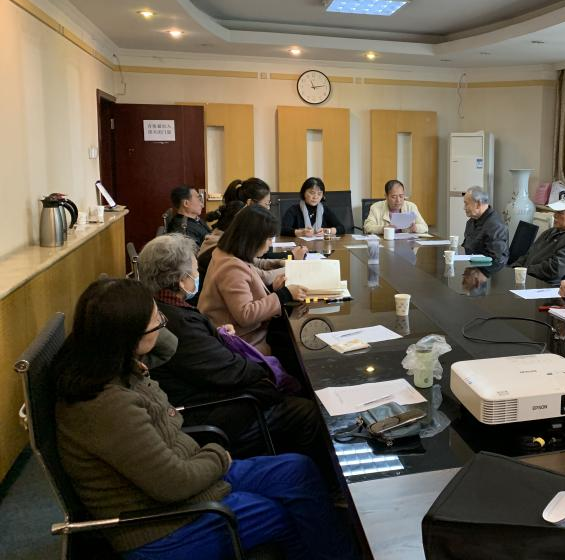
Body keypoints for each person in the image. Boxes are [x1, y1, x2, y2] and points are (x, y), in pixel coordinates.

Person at [53, 278, 354, 560]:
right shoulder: (107, 405)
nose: (163, 323)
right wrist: (218, 455)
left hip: (189, 477)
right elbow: (174, 484)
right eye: (157, 320)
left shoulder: (120, 364)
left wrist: (151, 326)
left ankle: (333, 550)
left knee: (298, 469)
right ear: (128, 337)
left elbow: (166, 348)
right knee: (280, 514)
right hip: (162, 526)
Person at [139, 234, 328, 464]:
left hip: (207, 393)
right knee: (308, 412)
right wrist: (265, 372)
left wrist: (218, 336)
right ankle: (305, 474)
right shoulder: (176, 324)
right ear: (181, 281)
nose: (198, 275)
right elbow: (227, 371)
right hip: (212, 413)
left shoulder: (165, 307)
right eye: (195, 271)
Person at [199, 206, 306, 354]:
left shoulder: (228, 254)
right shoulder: (231, 266)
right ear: (254, 238)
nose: (270, 243)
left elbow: (254, 279)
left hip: (242, 333)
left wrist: (274, 289)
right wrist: (284, 294)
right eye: (269, 239)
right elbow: (246, 314)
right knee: (296, 344)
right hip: (242, 342)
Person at [511, 196, 565, 285]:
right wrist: (515, 268)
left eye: (560, 212)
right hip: (529, 278)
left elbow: (556, 269)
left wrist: (524, 271)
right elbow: (528, 254)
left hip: (546, 285)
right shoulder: (550, 232)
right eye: (556, 212)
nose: (555, 215)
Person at [462, 186, 509, 270]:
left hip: (486, 272)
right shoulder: (471, 222)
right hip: (472, 267)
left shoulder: (496, 226)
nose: (464, 208)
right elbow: (467, 247)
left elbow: (497, 260)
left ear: (478, 204)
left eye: (466, 204)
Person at [281, 177, 346, 237]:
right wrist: (301, 232)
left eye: (319, 194)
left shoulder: (325, 210)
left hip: (321, 244)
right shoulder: (294, 210)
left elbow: (341, 228)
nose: (315, 197)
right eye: (312, 193)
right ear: (304, 193)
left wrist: (327, 231)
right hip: (300, 245)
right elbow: (283, 230)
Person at [363, 179, 428, 235]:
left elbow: (425, 227)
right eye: (394, 197)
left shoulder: (411, 206)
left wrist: (415, 228)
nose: (398, 200)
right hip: (385, 243)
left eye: (401, 196)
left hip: (406, 244)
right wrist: (383, 229)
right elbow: (367, 227)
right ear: (386, 196)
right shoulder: (376, 207)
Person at [205, 177, 272, 225]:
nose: (268, 208)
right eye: (266, 203)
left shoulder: (237, 220)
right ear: (250, 203)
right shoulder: (241, 227)